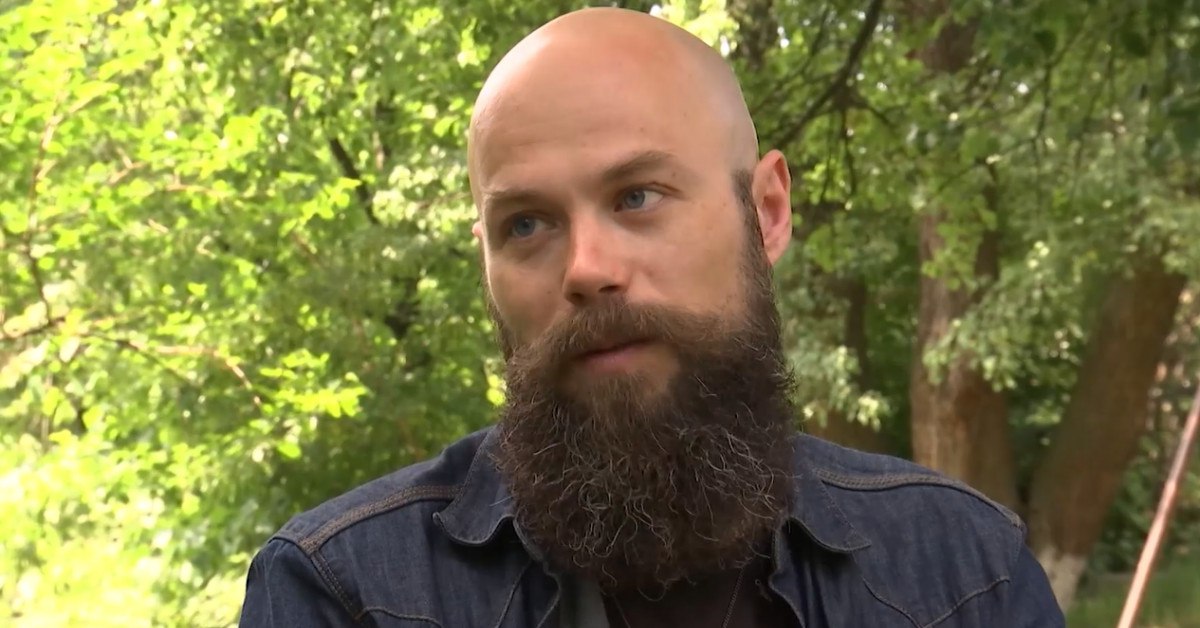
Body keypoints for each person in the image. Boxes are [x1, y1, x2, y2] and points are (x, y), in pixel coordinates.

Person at [238, 7, 1065, 627]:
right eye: (526, 225)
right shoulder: (344, 593)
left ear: (767, 213)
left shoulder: (962, 573)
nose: (586, 269)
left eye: (637, 197)